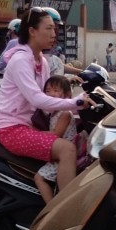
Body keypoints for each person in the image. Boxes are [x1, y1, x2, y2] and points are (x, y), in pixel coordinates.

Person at [0, 8, 91, 193]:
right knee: (67, 149)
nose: (54, 34)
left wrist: (82, 108)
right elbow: (38, 99)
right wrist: (75, 103)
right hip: (12, 130)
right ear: (32, 31)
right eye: (48, 29)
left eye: (54, 30)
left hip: (31, 126)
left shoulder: (42, 61)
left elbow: (50, 95)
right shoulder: (21, 60)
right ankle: (64, 212)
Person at [33, 75, 78, 203]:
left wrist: (35, 134)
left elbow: (56, 134)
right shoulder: (54, 112)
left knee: (39, 178)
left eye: (56, 90)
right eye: (47, 91)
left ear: (67, 95)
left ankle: (52, 208)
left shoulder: (65, 113)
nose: (51, 93)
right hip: (59, 152)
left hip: (64, 156)